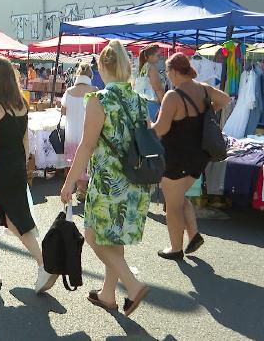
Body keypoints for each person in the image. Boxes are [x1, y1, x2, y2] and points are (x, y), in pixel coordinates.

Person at [60, 40, 150, 317]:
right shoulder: (138, 100)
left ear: (102, 68)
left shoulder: (99, 100)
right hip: (135, 180)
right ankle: (108, 294)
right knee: (115, 237)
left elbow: (87, 146)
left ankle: (132, 285)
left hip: (108, 181)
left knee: (94, 236)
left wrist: (69, 183)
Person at [0, 56, 53, 293]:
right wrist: (22, 163)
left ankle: (1, 270)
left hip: (0, 169)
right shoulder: (22, 104)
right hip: (16, 166)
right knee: (5, 217)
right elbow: (25, 141)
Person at [151, 53, 229, 260]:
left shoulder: (173, 96)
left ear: (175, 71)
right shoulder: (202, 88)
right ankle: (193, 235)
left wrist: (145, 126)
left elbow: (160, 129)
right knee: (178, 197)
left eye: (167, 72)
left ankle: (175, 248)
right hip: (198, 157)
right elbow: (225, 99)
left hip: (177, 159)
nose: (167, 76)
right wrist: (207, 112)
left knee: (173, 205)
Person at [61, 62, 98, 201]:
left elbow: (63, 111)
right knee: (87, 161)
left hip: (72, 133)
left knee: (74, 162)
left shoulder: (69, 91)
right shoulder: (94, 90)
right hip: (88, 132)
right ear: (90, 76)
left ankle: (79, 188)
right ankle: (83, 189)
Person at [134, 44, 165, 121]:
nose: (160, 57)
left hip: (142, 105)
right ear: (151, 56)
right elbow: (158, 89)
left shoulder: (143, 68)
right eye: (158, 55)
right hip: (152, 105)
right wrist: (165, 106)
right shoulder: (151, 67)